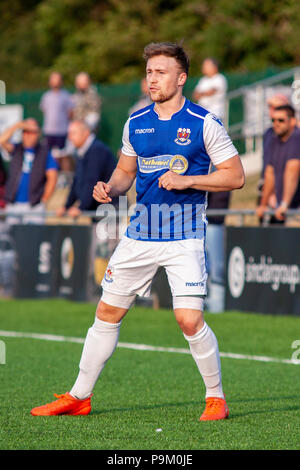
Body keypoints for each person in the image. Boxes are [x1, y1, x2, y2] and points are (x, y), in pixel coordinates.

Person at [31, 42, 245, 421]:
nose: (152, 79)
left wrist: (187, 181)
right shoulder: (136, 122)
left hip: (184, 236)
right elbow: (126, 171)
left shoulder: (204, 122)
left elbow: (236, 176)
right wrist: (110, 188)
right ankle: (79, 396)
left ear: (181, 79)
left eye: (160, 72)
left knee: (188, 319)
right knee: (107, 313)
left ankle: (216, 398)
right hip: (138, 235)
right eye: (149, 72)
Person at [0, 119, 58, 224]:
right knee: (13, 237)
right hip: (13, 204)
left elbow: (52, 177)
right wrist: (18, 125)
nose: (27, 135)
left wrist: (44, 200)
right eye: (25, 131)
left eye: (31, 132)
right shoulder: (17, 149)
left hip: (34, 206)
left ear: (37, 134)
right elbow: (2, 140)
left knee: (33, 237)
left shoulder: (44, 152)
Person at [56, 120, 116, 219]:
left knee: (109, 234)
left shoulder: (96, 150)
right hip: (99, 209)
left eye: (73, 133)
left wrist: (81, 207)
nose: (70, 138)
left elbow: (92, 181)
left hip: (110, 208)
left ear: (86, 133)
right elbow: (76, 182)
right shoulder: (83, 151)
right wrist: (66, 206)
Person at [256, 104, 300, 223]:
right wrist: (263, 204)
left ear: (292, 121)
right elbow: (270, 173)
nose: (276, 123)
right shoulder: (274, 139)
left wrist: (284, 204)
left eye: (281, 120)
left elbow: (293, 171)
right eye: (273, 120)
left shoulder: (297, 137)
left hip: (294, 209)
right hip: (282, 208)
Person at [205, 187, 231, 313]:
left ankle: (216, 304)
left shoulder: (219, 169)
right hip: (198, 223)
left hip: (213, 222)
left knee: (216, 267)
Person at [39, 72, 74, 151]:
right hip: (48, 132)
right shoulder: (46, 96)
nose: (55, 82)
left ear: (61, 81)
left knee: (61, 155)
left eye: (57, 80)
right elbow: (44, 111)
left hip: (62, 132)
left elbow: (70, 113)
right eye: (53, 80)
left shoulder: (66, 96)